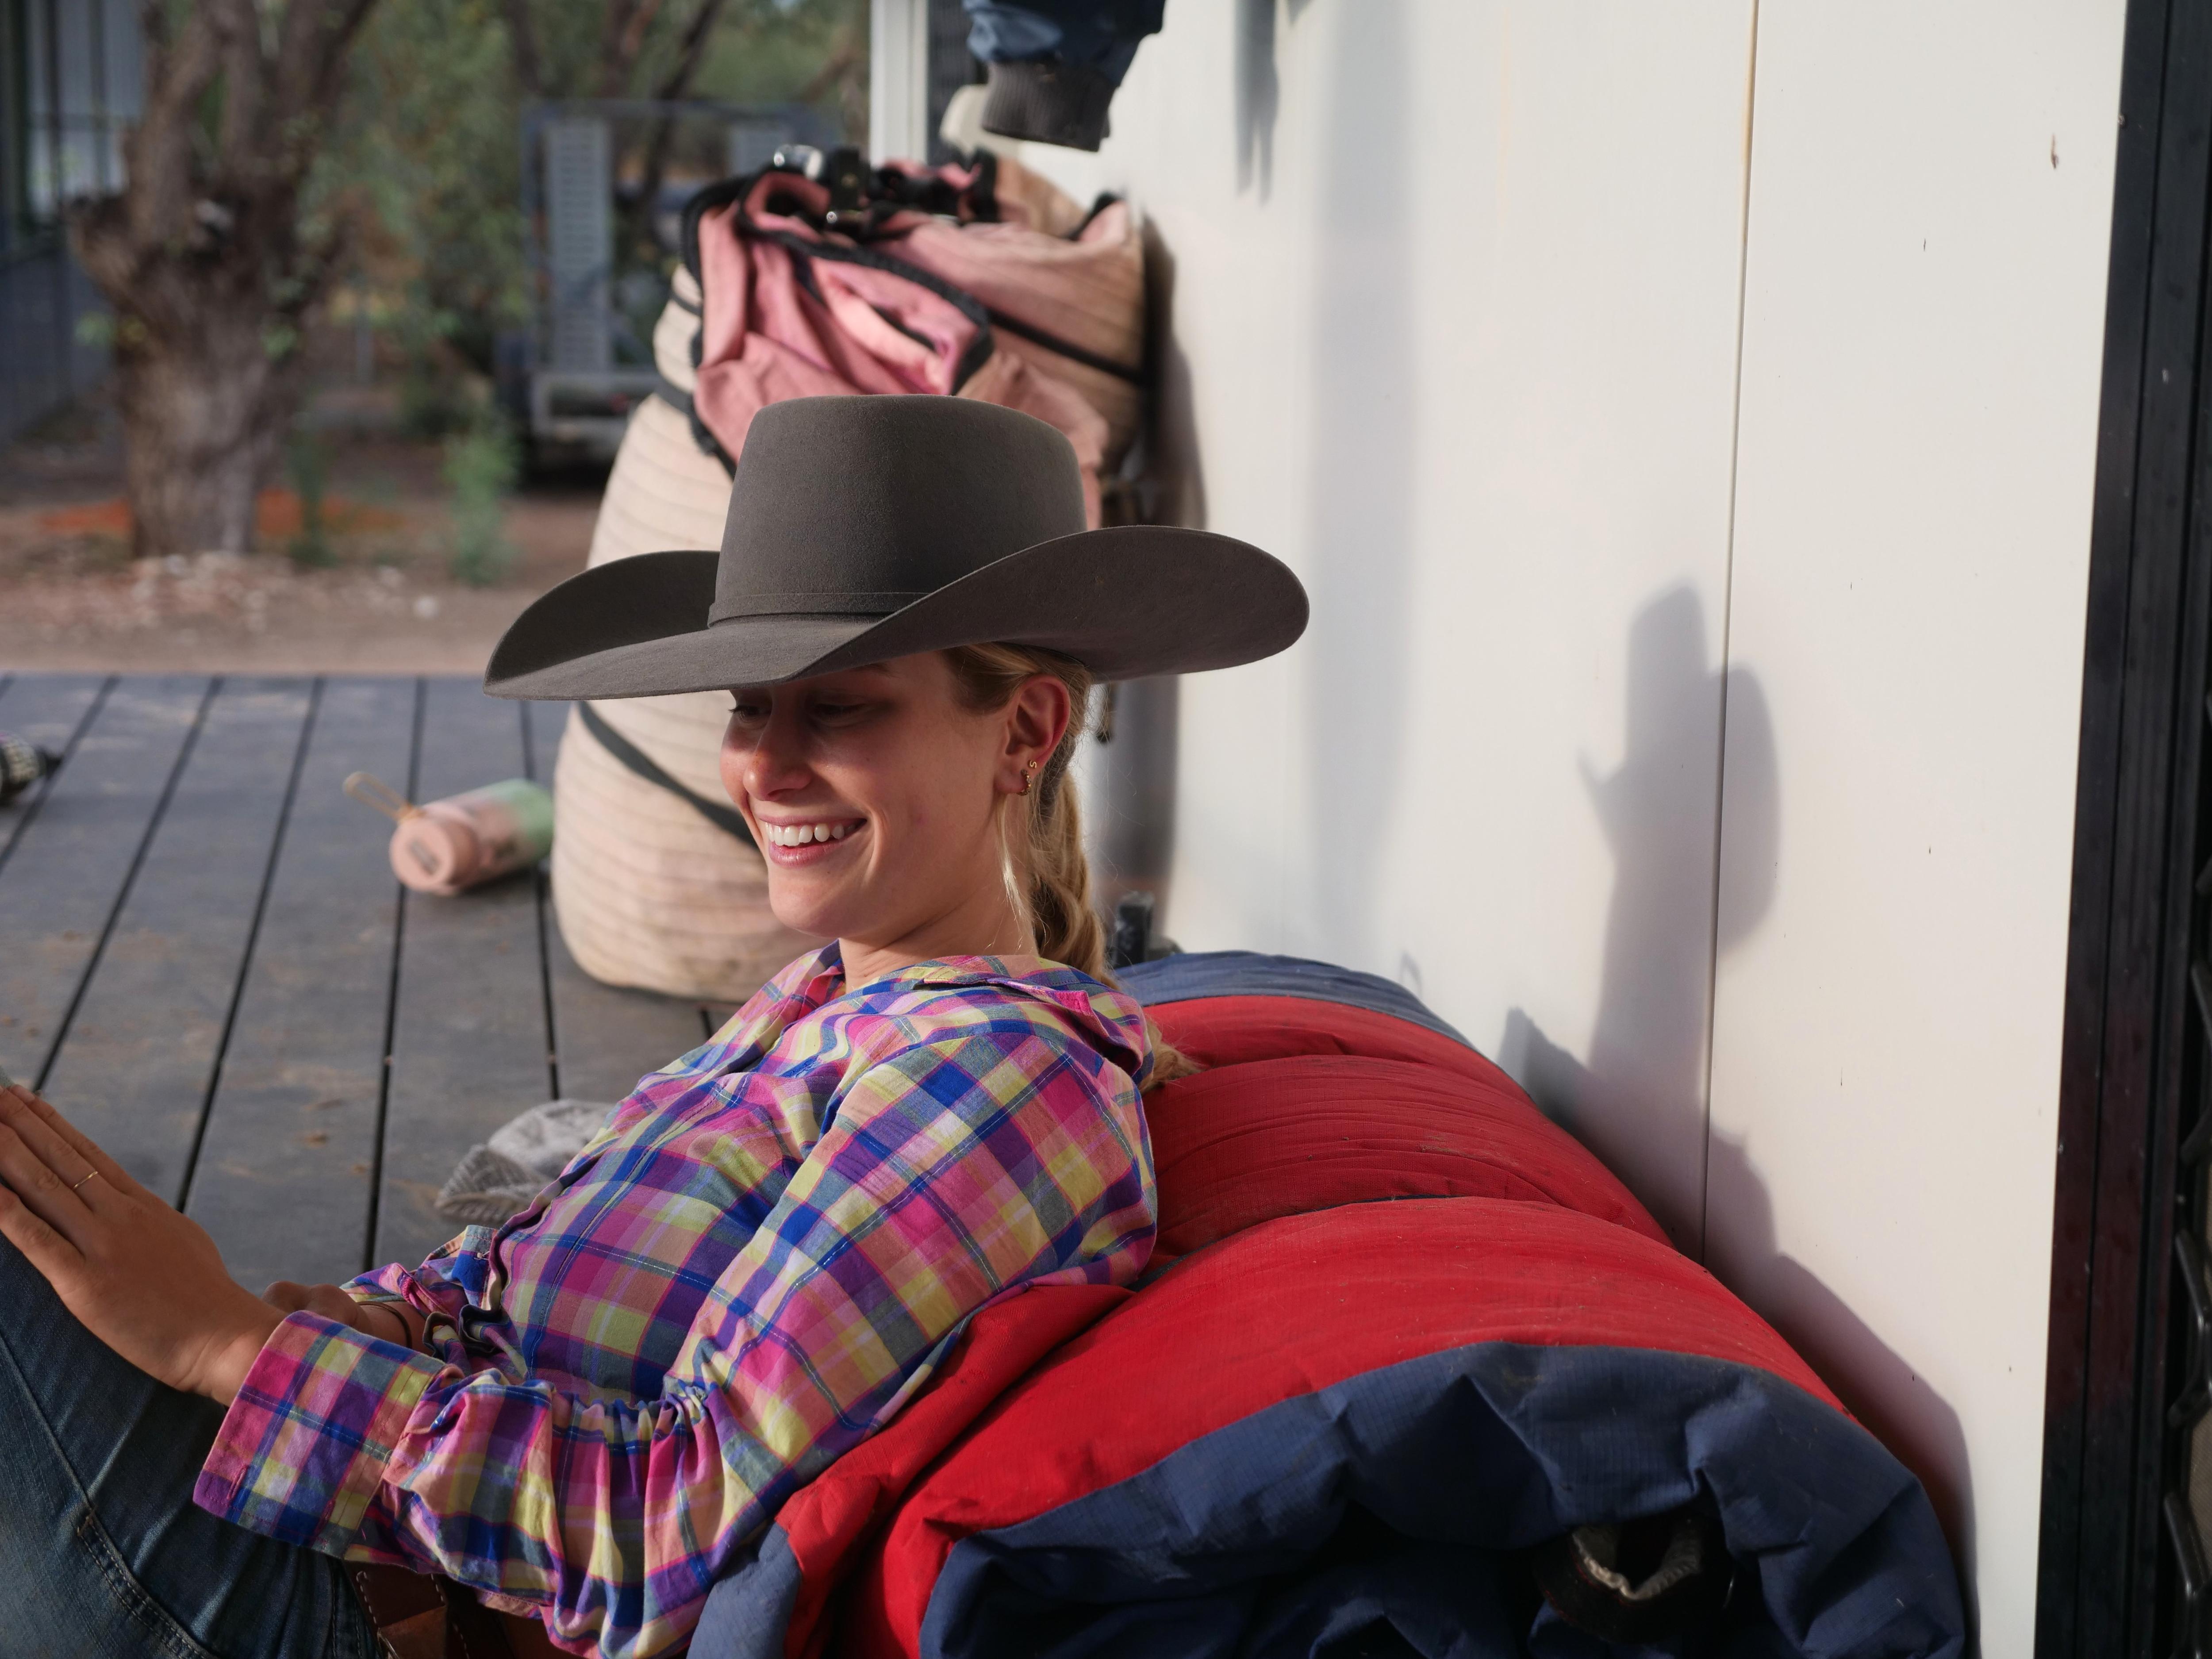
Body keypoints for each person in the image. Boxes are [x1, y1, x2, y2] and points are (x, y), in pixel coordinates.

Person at [0, 396, 1306, 1659]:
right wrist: (367, 1322)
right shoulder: (823, 1004)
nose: (765, 764)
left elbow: (662, 1526)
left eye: (839, 706)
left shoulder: (994, 1079)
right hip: (351, 1545)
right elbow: (514, 1289)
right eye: (750, 703)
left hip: (384, 1623)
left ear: (1024, 731)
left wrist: (229, 1349)